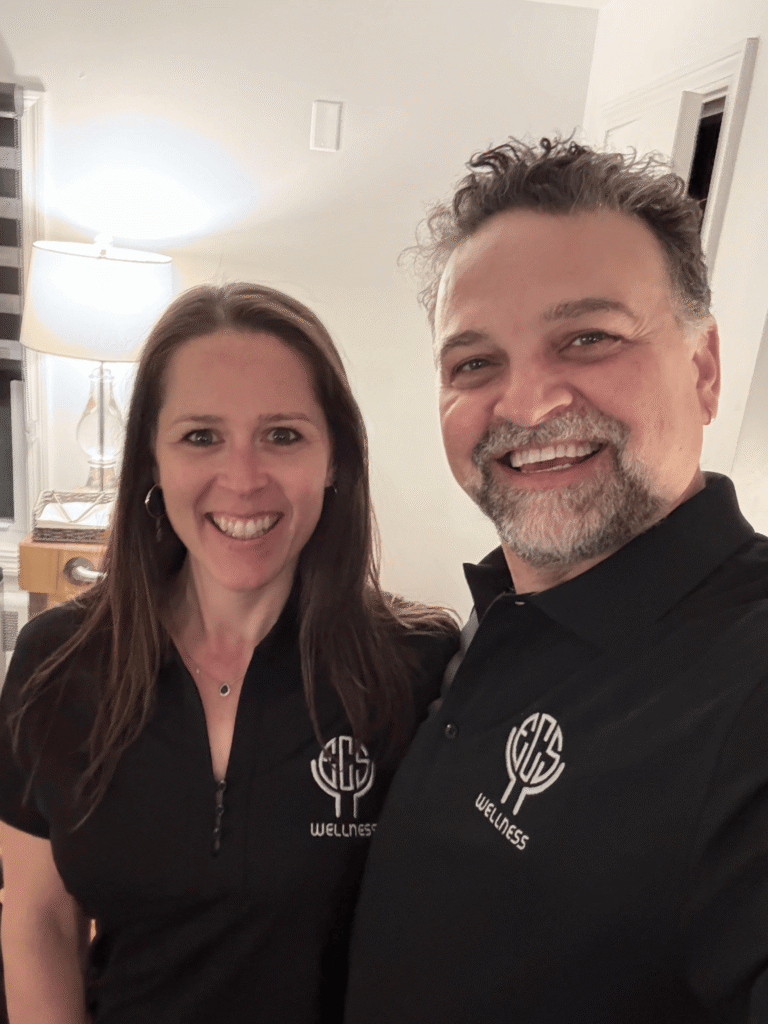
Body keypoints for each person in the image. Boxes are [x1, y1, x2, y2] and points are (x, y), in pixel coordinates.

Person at [344, 138, 768, 1023]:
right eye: (474, 362)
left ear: (704, 369)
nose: (529, 404)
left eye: (588, 337)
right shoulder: (483, 624)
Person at [0, 283, 458, 1024]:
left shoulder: (418, 668)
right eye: (201, 436)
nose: (242, 480)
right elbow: (38, 921)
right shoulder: (58, 661)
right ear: (150, 458)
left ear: (335, 457)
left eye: (282, 435)